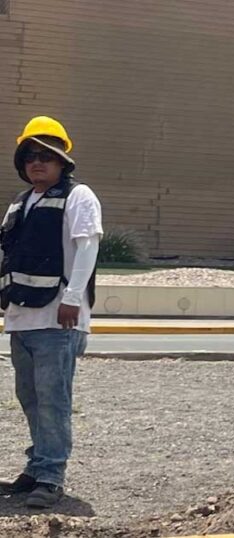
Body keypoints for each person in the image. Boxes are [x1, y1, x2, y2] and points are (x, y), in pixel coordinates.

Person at [0, 116, 103, 508]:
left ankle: (51, 475)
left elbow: (88, 246)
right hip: (22, 317)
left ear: (62, 161)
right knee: (30, 397)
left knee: (53, 399)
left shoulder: (79, 196)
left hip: (58, 318)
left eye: (45, 156)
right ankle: (37, 464)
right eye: (29, 156)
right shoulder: (21, 203)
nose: (36, 163)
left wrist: (72, 298)